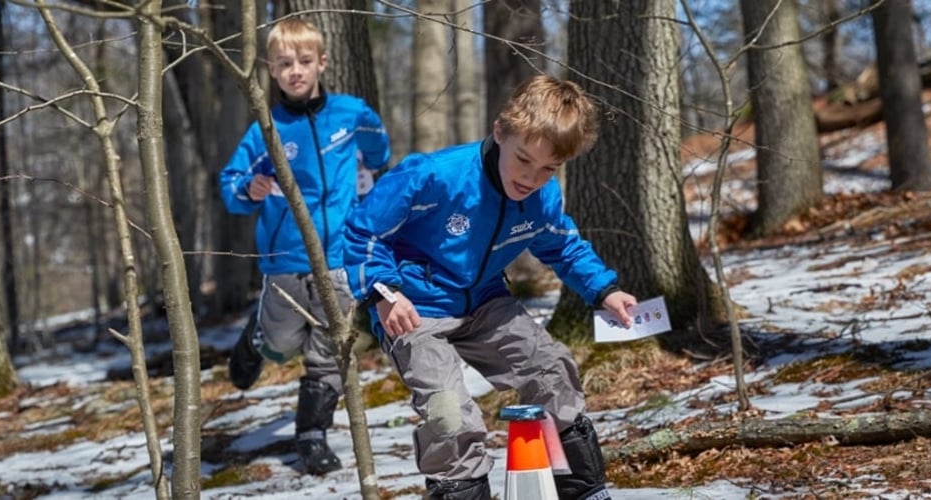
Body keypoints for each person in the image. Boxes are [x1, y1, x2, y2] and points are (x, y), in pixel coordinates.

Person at [343, 75, 637, 500]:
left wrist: (604, 290)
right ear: (499, 132)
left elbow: (563, 246)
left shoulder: (542, 197)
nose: (532, 177)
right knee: (448, 412)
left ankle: (582, 490)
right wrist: (384, 293)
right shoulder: (433, 177)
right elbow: (364, 233)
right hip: (414, 307)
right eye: (523, 160)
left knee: (552, 370)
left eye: (548, 169)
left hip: (484, 302)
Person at [218, 17, 390, 476]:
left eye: (305, 61)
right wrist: (247, 189)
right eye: (285, 63)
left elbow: (378, 151)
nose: (296, 70)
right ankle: (258, 339)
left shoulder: (351, 114)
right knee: (283, 343)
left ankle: (311, 437)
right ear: (271, 71)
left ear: (322, 64)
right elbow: (230, 182)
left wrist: (370, 173)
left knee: (331, 349)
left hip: (340, 258)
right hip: (286, 259)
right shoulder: (266, 129)